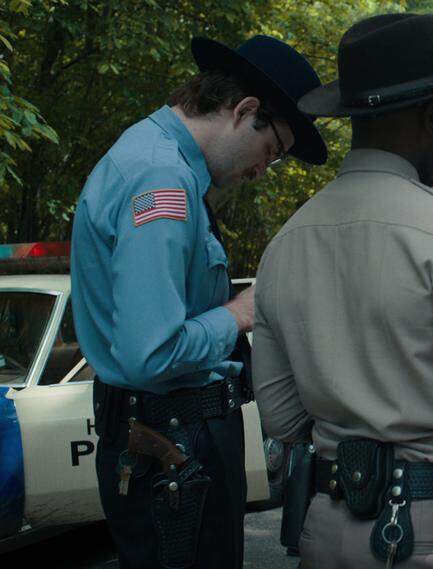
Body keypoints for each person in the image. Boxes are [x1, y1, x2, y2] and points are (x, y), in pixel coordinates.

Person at [253, 14, 433, 568]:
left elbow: (283, 420)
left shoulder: (286, 241)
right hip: (431, 533)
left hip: (326, 527)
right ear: (432, 115)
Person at [70, 34, 327, 568]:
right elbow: (150, 351)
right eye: (270, 151)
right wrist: (241, 313)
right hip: (172, 442)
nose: (260, 170)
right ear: (245, 111)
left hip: (167, 440)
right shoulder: (162, 178)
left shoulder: (157, 158)